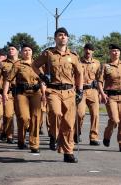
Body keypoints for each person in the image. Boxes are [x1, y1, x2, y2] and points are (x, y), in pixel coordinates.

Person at [32, 27, 83, 163]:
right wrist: (42, 76)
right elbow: (34, 65)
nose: (63, 37)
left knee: (69, 124)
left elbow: (79, 74)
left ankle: (68, 152)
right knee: (55, 113)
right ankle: (53, 135)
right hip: (53, 90)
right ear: (55, 38)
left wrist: (80, 90)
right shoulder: (48, 54)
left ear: (67, 38)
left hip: (69, 92)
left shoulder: (73, 56)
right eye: (60, 35)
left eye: (65, 35)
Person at [3, 43, 42, 153]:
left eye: (29, 50)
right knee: (24, 118)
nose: (27, 52)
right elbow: (8, 79)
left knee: (35, 118)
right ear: (21, 52)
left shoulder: (38, 64)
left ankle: (34, 144)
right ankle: (21, 139)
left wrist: (44, 94)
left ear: (32, 52)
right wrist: (5, 93)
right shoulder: (17, 64)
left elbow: (42, 81)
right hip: (22, 93)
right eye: (25, 50)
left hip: (36, 92)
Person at [75, 43, 101, 145]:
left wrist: (99, 92)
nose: (88, 51)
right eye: (86, 49)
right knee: (80, 113)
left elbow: (99, 79)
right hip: (81, 91)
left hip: (93, 91)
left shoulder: (97, 63)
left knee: (95, 114)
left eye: (90, 49)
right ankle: (77, 133)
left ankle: (93, 137)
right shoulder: (78, 62)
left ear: (93, 51)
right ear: (84, 50)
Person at [98, 44, 121, 152]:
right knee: (115, 120)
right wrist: (102, 94)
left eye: (117, 51)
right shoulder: (106, 66)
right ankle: (107, 136)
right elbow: (100, 82)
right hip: (110, 96)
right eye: (113, 51)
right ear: (110, 53)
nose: (115, 52)